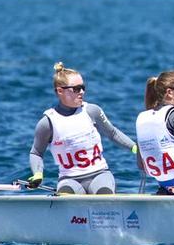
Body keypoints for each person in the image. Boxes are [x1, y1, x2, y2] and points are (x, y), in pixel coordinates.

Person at [26, 62, 138, 194]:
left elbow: (112, 133)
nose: (82, 92)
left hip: (99, 175)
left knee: (104, 193)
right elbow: (36, 153)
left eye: (83, 87)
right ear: (60, 91)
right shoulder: (47, 123)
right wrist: (38, 173)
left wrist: (134, 147)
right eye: (76, 89)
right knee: (66, 195)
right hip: (69, 179)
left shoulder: (92, 111)